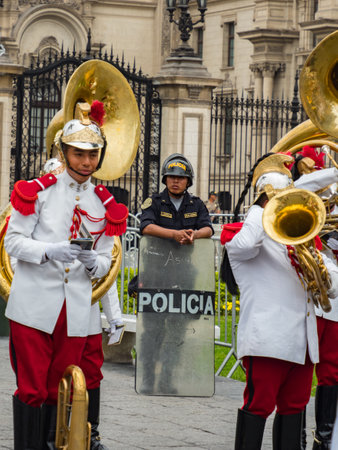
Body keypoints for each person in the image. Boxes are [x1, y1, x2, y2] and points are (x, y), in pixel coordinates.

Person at [5, 102, 128, 449]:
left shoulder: (105, 205)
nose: (86, 162)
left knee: (60, 389)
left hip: (74, 310)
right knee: (32, 388)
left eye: (92, 155)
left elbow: (107, 262)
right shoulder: (37, 191)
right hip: (33, 304)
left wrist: (92, 262)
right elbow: (13, 242)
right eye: (78, 154)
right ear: (64, 151)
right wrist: (49, 250)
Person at [224, 153, 338, 449]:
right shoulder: (244, 239)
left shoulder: (302, 242)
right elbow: (247, 243)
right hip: (269, 342)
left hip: (302, 344)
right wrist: (264, 206)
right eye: (278, 201)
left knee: (293, 409)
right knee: (258, 407)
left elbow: (333, 288)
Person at [138, 153, 213, 394]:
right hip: (155, 275)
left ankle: (167, 381)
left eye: (180, 178)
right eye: (171, 177)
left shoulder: (196, 204)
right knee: (152, 332)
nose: (175, 182)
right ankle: (148, 381)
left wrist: (193, 235)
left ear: (188, 181)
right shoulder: (154, 202)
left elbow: (208, 229)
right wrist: (173, 234)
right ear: (165, 179)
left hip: (183, 277)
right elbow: (146, 226)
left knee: (177, 332)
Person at [292, 146, 338, 450]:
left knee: (331, 369)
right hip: (302, 291)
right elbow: (297, 188)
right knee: (298, 367)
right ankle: (291, 437)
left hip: (334, 293)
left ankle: (323, 437)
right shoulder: (300, 193)